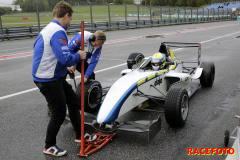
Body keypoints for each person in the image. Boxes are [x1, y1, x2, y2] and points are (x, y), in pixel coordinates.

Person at [32, 2, 96, 157]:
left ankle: (80, 135)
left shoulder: (49, 28)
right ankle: (49, 145)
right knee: (59, 112)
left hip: (54, 75)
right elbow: (66, 57)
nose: (71, 20)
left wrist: (64, 69)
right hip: (47, 79)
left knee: (73, 102)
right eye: (71, 17)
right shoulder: (57, 31)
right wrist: (78, 56)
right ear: (66, 15)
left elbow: (46, 52)